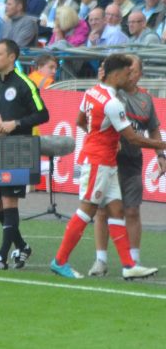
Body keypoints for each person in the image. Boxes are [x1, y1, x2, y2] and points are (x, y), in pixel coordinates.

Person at [50, 53, 164, 280]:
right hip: (99, 162)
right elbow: (133, 139)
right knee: (87, 210)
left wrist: (101, 137)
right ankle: (60, 260)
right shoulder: (113, 103)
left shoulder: (92, 93)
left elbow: (81, 121)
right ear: (115, 74)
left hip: (105, 161)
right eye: (126, 72)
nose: (128, 76)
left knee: (116, 210)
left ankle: (129, 265)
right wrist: (163, 144)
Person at [87, 55, 166, 276]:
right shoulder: (112, 93)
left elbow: (153, 128)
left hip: (132, 161)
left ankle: (133, 261)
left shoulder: (145, 100)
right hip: (108, 159)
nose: (127, 74)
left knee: (131, 210)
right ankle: (100, 260)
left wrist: (161, 155)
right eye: (125, 70)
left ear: (140, 74)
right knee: (103, 210)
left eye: (132, 70)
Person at [0, 39, 50, 270]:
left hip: (17, 149)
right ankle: (22, 246)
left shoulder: (24, 84)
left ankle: (1, 256)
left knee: (9, 201)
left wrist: (16, 123)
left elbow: (42, 114)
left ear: (11, 57)